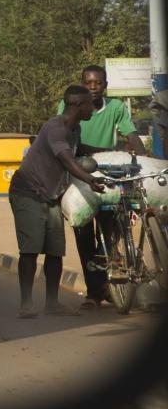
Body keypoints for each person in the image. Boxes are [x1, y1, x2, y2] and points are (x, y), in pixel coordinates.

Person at [9, 85, 107, 319]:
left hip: (52, 195)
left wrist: (111, 151)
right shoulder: (55, 128)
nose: (92, 109)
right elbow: (67, 161)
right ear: (76, 105)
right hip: (28, 192)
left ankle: (52, 304)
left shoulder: (75, 129)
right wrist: (90, 181)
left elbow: (79, 150)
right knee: (31, 250)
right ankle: (26, 303)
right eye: (88, 104)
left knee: (55, 251)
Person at [56, 64, 147, 309]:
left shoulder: (116, 107)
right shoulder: (69, 105)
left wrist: (144, 161)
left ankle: (108, 283)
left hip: (108, 175)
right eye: (88, 83)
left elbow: (132, 136)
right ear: (82, 84)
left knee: (111, 230)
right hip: (78, 174)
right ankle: (93, 293)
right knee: (84, 236)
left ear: (105, 85)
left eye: (98, 83)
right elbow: (64, 137)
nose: (93, 87)